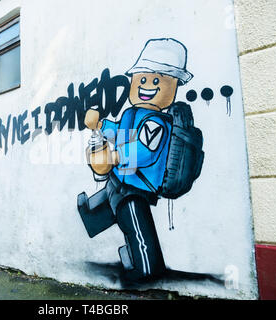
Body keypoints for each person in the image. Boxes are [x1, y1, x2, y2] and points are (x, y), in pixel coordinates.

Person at [78, 38, 193, 283]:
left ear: (172, 86)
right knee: (110, 204)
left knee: (136, 227)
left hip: (137, 188)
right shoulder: (132, 113)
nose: (147, 86)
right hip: (121, 178)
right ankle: (91, 217)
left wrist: (116, 156)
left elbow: (145, 150)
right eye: (142, 79)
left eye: (157, 80)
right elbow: (119, 130)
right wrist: (99, 125)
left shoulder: (156, 121)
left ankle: (147, 268)